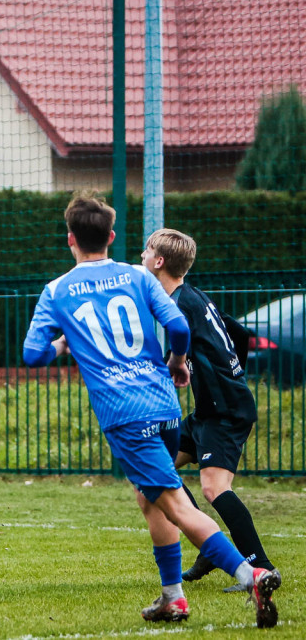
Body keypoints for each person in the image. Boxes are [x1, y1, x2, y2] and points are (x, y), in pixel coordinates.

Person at [22, 194, 280, 628]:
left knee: (177, 504)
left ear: (70, 239)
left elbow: (32, 355)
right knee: (149, 500)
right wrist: (178, 362)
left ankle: (251, 573)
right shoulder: (136, 276)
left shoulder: (56, 290)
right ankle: (173, 597)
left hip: (124, 413)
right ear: (111, 236)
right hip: (164, 403)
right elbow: (178, 327)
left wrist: (62, 344)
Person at [141, 228, 278, 590]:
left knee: (215, 487)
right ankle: (210, 544)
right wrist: (232, 374)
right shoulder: (193, 296)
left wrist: (195, 370)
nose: (141, 255)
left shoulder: (178, 304)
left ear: (159, 262)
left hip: (224, 411)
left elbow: (190, 345)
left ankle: (260, 566)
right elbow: (241, 334)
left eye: (146, 250)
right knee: (157, 471)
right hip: (210, 409)